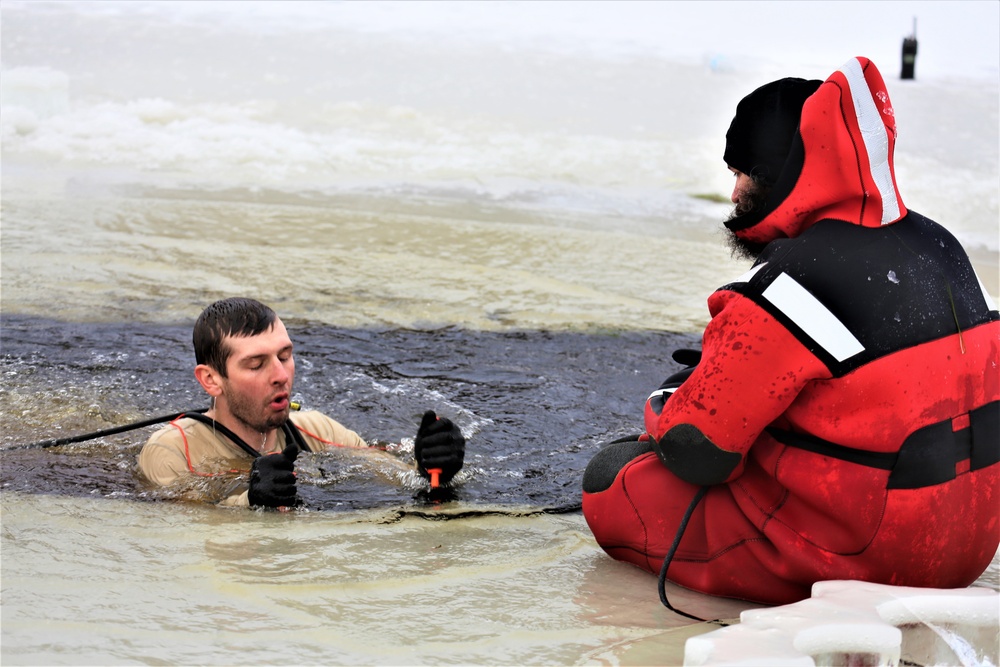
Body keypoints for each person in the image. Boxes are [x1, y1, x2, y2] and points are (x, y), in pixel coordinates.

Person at [581, 57, 999, 605]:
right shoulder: (940, 244)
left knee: (611, 477)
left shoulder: (793, 283)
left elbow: (697, 450)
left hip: (863, 559)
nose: (733, 195)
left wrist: (663, 407)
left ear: (780, 174)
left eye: (740, 174)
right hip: (968, 549)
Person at [138, 297, 466, 508]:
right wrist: (250, 500)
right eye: (256, 364)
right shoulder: (171, 451)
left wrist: (434, 469)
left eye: (285, 356)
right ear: (211, 379)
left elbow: (400, 481)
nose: (281, 375)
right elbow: (187, 523)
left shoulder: (317, 429)